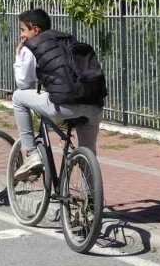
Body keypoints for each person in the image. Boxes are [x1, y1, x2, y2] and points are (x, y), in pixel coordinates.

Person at [12, 9, 103, 180]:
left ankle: (31, 154)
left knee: (18, 97)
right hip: (94, 105)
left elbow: (24, 83)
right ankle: (92, 200)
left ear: (35, 30)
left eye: (23, 30)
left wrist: (19, 55)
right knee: (89, 154)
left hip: (65, 104)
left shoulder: (34, 45)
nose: (21, 35)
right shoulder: (68, 40)